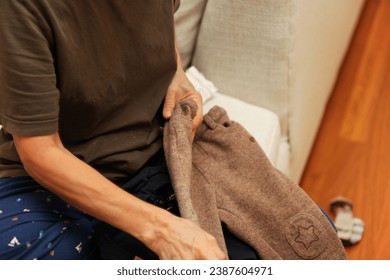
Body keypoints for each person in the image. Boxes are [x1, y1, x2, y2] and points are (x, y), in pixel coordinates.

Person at [0, 0, 227, 260]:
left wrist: (176, 71)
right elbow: (40, 151)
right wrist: (160, 230)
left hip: (150, 158)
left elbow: (158, 20)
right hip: (50, 178)